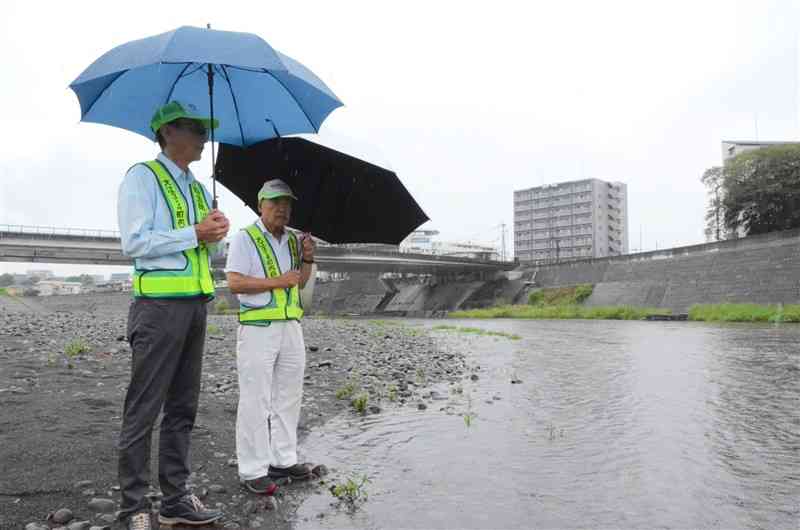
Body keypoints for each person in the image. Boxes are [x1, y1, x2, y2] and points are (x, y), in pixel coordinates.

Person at [117, 100, 230, 529]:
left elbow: (209, 250)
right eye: (195, 128)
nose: (204, 137)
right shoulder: (141, 177)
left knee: (183, 407)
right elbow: (134, 242)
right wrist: (195, 232)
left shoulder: (199, 189)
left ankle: (176, 498)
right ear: (167, 132)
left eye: (204, 130)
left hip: (196, 306)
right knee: (143, 409)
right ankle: (134, 507)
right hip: (158, 309)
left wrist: (216, 233)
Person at [225, 179, 316, 494]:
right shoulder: (244, 238)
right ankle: (252, 470)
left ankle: (283, 459)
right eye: (276, 202)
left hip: (291, 326)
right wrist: (276, 281)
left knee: (289, 396)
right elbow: (234, 283)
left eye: (287, 203)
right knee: (255, 399)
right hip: (258, 329)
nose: (282, 209)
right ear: (260, 204)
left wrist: (307, 258)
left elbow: (300, 283)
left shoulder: (294, 240)